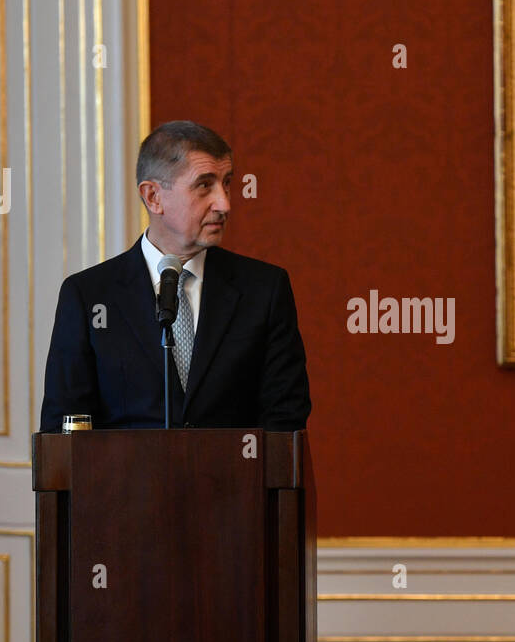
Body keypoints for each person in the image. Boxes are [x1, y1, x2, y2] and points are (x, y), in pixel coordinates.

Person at [38, 121, 311, 432]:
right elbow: (63, 430)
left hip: (233, 479)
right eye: (205, 185)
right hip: (124, 481)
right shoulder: (89, 296)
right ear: (153, 196)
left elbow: (286, 423)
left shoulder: (264, 290)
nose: (224, 204)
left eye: (227, 183)